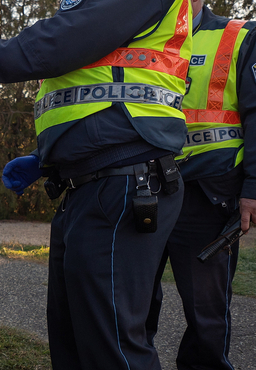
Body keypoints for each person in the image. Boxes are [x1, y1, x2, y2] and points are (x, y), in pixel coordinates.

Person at [0, 0, 192, 368]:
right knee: (73, 341)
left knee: (112, 347)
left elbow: (61, 43)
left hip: (123, 183)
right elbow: (91, 85)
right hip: (92, 184)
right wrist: (50, 156)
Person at [145, 1, 256, 369]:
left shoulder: (238, 36)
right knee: (132, 304)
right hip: (145, 185)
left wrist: (253, 188)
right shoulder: (140, 36)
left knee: (206, 318)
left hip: (207, 194)